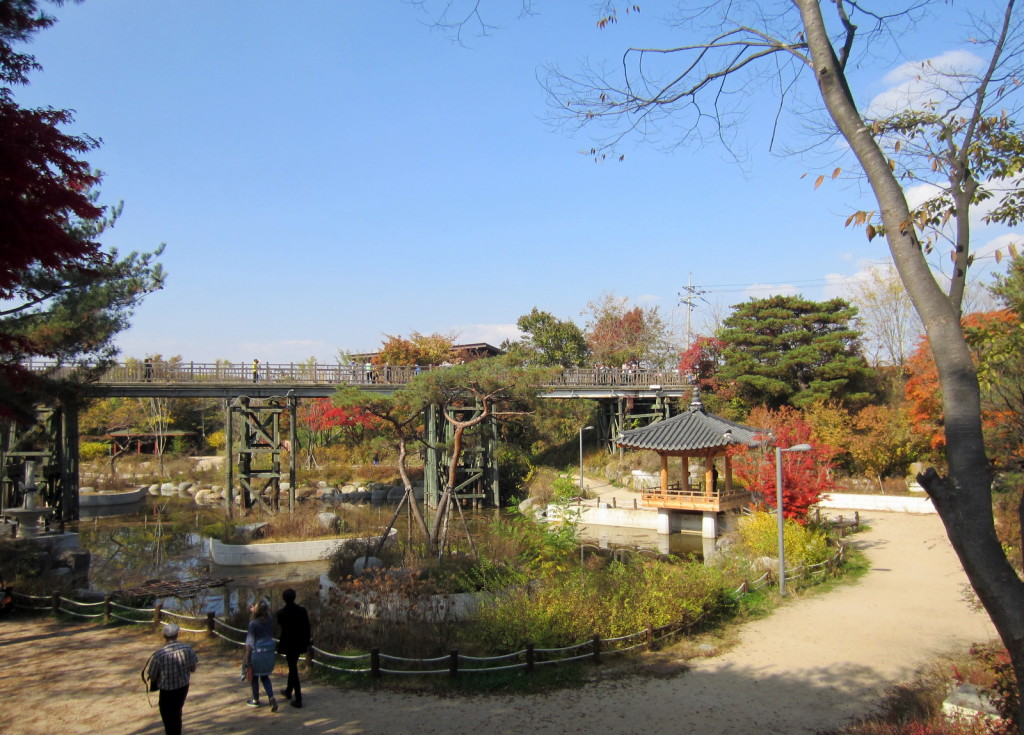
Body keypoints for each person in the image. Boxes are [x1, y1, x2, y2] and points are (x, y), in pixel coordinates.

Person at [148, 623, 198, 735]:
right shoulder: (187, 648)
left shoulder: (159, 654)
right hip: (183, 687)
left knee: (167, 716)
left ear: (164, 636)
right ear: (177, 635)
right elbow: (193, 668)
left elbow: (152, 675)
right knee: (177, 712)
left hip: (167, 690)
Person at [276, 588, 311, 708]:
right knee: (292, 666)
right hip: (299, 642)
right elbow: (307, 627)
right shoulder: (302, 611)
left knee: (293, 668)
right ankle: (288, 691)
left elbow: (281, 626)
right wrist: (306, 640)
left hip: (288, 643)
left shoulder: (281, 613)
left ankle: (298, 698)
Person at [244, 600, 278, 711]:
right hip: (268, 653)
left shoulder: (253, 624)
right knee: (265, 677)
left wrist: (247, 659)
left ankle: (256, 699)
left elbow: (250, 643)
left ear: (256, 610)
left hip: (256, 653)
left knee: (254, 677)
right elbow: (266, 613)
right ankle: (271, 696)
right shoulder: (269, 621)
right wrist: (258, 609)